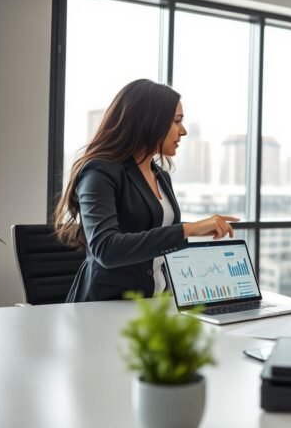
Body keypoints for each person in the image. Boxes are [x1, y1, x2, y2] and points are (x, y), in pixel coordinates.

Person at [55, 79, 239, 302]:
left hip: (157, 302)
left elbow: (157, 238)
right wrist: (189, 229)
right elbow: (106, 249)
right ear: (149, 122)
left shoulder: (161, 176)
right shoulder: (99, 171)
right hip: (107, 305)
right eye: (176, 121)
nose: (184, 131)